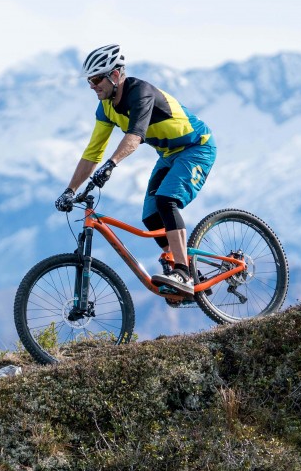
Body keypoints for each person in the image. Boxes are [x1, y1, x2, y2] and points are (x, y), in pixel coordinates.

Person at [56, 44, 216, 300]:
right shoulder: (105, 107)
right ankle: (188, 272)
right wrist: (69, 190)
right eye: (89, 80)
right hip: (168, 155)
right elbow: (92, 153)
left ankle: (183, 273)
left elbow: (135, 136)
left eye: (97, 79)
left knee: (166, 200)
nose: (92, 86)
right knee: (151, 217)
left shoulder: (140, 93)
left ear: (116, 75)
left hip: (196, 148)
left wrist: (112, 164)